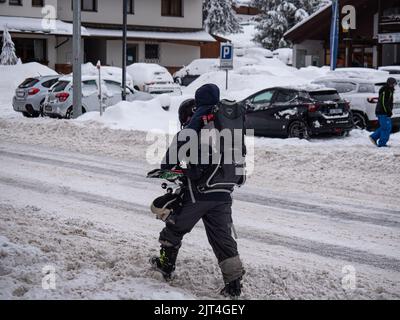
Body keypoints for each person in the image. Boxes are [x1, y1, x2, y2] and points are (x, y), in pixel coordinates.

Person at [149, 84, 245, 298]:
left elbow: (169, 164)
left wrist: (171, 169)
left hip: (198, 193)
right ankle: (234, 284)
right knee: (222, 238)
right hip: (223, 193)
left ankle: (165, 267)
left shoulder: (192, 128)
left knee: (174, 227)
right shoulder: (227, 128)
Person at [370, 77, 397, 147]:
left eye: (394, 84)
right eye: (393, 84)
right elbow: (383, 102)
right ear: (389, 83)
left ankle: (374, 137)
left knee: (385, 127)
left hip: (384, 112)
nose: (393, 85)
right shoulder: (385, 90)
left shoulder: (390, 90)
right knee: (386, 128)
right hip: (382, 112)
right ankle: (382, 144)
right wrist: (388, 111)